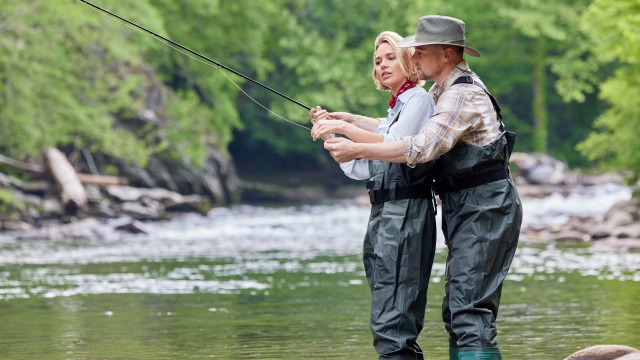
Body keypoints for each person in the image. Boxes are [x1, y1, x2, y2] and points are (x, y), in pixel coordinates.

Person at [317, 16, 523, 360]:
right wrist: (351, 121)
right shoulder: (440, 91)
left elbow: (419, 147)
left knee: (469, 311)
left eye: (421, 52)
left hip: (487, 206)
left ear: (445, 54)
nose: (413, 58)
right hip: (467, 206)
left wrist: (356, 148)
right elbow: (393, 128)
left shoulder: (460, 95)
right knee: (458, 312)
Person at [310, 31, 438, 359]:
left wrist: (345, 130)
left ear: (409, 61)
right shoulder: (399, 105)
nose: (382, 65)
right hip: (383, 215)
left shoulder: (419, 100)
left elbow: (396, 142)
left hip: (406, 213)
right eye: (377, 61)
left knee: (393, 321)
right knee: (386, 310)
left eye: (390, 57)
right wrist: (338, 137)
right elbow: (364, 166)